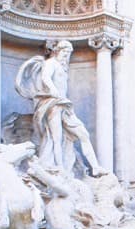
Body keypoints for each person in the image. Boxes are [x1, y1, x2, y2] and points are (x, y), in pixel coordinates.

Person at [15, 40, 104, 177]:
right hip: (53, 104)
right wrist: (53, 90)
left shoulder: (62, 67)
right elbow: (45, 77)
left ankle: (96, 167)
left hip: (65, 105)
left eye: (68, 53)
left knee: (83, 134)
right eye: (64, 52)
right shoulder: (51, 63)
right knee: (56, 137)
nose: (66, 56)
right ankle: (60, 168)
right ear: (57, 51)